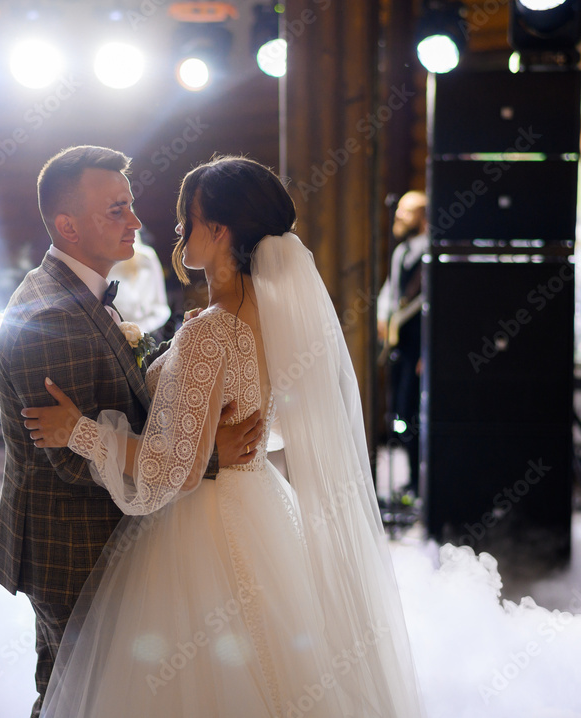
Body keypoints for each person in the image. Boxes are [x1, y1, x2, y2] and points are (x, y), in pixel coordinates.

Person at [23, 157, 426, 716]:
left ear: (221, 231)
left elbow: (175, 471)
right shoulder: (269, 315)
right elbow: (277, 422)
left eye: (189, 219)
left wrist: (80, 431)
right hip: (256, 502)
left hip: (202, 526)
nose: (176, 230)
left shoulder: (213, 331)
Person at [0, 146, 263, 718]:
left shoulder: (83, 297)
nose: (136, 222)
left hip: (115, 532)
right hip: (75, 543)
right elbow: (71, 459)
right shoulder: (52, 316)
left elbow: (122, 400)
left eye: (131, 205)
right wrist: (208, 455)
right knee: (75, 696)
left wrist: (182, 363)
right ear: (67, 225)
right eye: (116, 210)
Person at [377, 190, 428, 498]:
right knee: (401, 413)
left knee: (414, 412)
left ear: (422, 218)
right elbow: (391, 291)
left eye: (406, 213)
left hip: (418, 349)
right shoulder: (401, 253)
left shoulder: (429, 255)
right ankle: (410, 478)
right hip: (400, 346)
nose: (398, 218)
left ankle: (422, 482)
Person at [105, 230, 171, 336]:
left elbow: (161, 309)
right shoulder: (99, 262)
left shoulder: (146, 258)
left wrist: (138, 332)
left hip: (145, 336)